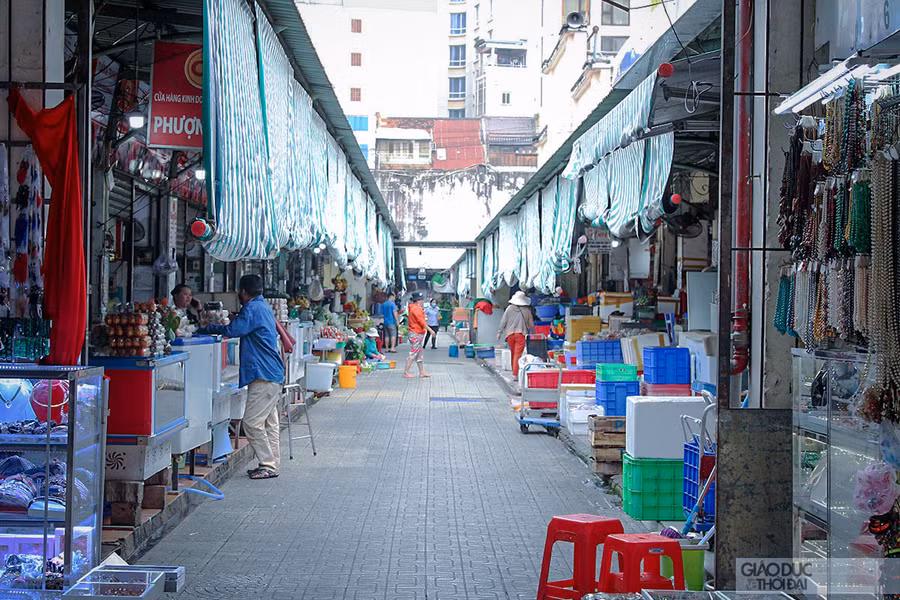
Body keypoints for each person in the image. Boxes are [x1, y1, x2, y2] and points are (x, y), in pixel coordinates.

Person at [197, 275, 285, 480]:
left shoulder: (253, 309)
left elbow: (233, 330)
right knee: (270, 423)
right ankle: (272, 464)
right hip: (271, 373)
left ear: (244, 292)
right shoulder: (262, 306)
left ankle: (268, 464)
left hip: (263, 374)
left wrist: (208, 328)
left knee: (252, 423)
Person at [497, 290, 534, 378]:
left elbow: (503, 321)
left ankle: (514, 372)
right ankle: (515, 374)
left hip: (509, 335)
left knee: (513, 353)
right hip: (520, 334)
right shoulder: (527, 310)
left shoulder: (509, 309)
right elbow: (531, 324)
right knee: (518, 354)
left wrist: (499, 332)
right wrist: (533, 333)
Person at [404, 291, 435, 378]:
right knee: (413, 353)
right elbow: (421, 322)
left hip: (416, 333)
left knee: (419, 354)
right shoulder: (416, 309)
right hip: (416, 333)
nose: (422, 301)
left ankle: (422, 372)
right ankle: (406, 372)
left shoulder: (414, 308)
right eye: (421, 300)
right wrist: (431, 330)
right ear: (417, 300)